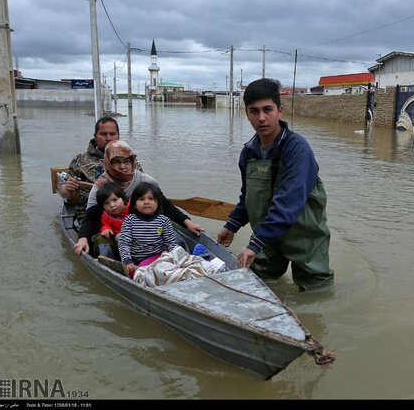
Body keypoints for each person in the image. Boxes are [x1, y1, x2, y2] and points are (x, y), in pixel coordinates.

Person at [217, 78, 334, 291]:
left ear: (280, 110)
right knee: (259, 284)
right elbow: (249, 196)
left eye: (267, 109)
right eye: (254, 111)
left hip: (303, 235)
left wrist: (254, 244)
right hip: (266, 236)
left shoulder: (298, 149)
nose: (261, 118)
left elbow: (289, 201)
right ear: (247, 114)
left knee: (316, 292)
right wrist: (232, 225)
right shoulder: (248, 152)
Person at [73, 140, 204, 256]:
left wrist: (187, 222)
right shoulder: (100, 186)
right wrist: (83, 238)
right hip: (113, 232)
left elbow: (165, 205)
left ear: (133, 162)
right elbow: (91, 218)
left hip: (145, 226)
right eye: (117, 162)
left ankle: (183, 258)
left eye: (126, 161)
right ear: (107, 163)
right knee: (103, 247)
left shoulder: (144, 180)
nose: (123, 166)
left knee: (173, 236)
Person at [57, 116, 141, 206]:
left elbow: (143, 186)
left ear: (118, 136)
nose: (108, 138)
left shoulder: (130, 160)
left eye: (112, 134)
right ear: (95, 136)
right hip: (91, 209)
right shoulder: (81, 160)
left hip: (127, 208)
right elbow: (63, 190)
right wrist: (67, 188)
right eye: (103, 134)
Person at [116, 182, 178, 278]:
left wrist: (176, 257)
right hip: (135, 261)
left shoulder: (163, 221)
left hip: (157, 256)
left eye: (151, 199)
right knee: (134, 272)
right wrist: (128, 261)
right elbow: (124, 243)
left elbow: (170, 243)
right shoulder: (130, 220)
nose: (146, 202)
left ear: (157, 203)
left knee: (172, 260)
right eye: (141, 199)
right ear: (135, 204)